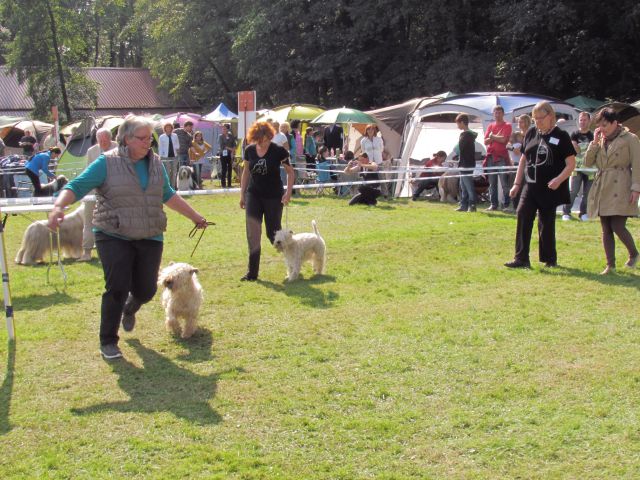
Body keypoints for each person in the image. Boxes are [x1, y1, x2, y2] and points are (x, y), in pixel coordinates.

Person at [47, 115, 208, 360]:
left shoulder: (155, 163)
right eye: (142, 138)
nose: (148, 143)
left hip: (149, 234)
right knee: (117, 287)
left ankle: (131, 308)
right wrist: (59, 206)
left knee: (146, 290)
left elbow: (167, 193)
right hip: (113, 233)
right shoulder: (106, 163)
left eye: (149, 138)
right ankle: (108, 341)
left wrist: (195, 216)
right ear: (125, 139)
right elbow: (77, 185)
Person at [504, 101, 576, 269]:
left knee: (546, 223)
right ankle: (521, 258)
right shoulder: (530, 132)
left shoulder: (561, 136)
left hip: (550, 188)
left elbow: (571, 164)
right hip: (530, 185)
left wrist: (559, 180)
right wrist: (516, 183)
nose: (537, 122)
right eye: (535, 119)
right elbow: (523, 159)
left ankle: (549, 259)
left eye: (540, 118)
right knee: (523, 215)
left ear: (550, 116)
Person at [585, 108, 640, 275]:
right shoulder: (600, 140)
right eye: (599, 125)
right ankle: (610, 265)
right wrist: (594, 143)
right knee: (606, 227)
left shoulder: (630, 138)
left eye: (605, 124)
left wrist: (636, 188)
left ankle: (634, 253)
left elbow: (637, 164)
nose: (602, 128)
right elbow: (587, 163)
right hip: (603, 185)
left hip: (621, 184)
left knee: (617, 225)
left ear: (615, 123)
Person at [239, 121, 294, 281]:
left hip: (273, 197)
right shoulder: (249, 150)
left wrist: (288, 192)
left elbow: (290, 173)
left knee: (273, 234)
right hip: (253, 195)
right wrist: (242, 194)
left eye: (263, 139)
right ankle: (252, 273)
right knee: (253, 234)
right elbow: (246, 173)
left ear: (269, 136)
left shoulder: (278, 151)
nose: (260, 143)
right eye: (257, 139)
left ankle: (294, 261)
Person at [80, 128, 118, 261]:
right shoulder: (91, 151)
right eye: (100, 141)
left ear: (110, 139)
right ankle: (87, 252)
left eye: (105, 140)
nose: (102, 143)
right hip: (94, 190)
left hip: (114, 191)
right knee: (89, 220)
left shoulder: (119, 148)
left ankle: (113, 249)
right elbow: (89, 171)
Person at [562, 111, 594, 221]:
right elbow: (574, 149)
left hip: (590, 169)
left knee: (587, 193)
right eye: (581, 120)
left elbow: (593, 151)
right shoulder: (574, 134)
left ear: (589, 121)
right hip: (576, 167)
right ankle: (566, 212)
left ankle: (583, 213)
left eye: (585, 120)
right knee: (573, 191)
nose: (582, 122)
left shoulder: (593, 135)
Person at [484, 105, 513, 211]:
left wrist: (492, 136)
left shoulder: (507, 125)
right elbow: (485, 141)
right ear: (493, 114)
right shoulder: (490, 126)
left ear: (503, 114)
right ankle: (493, 204)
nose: (497, 114)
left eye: (499, 112)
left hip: (501, 157)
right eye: (495, 112)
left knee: (504, 183)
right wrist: (496, 137)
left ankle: (506, 204)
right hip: (491, 157)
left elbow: (504, 140)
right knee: (492, 183)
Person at [505, 114, 532, 213]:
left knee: (526, 185)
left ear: (526, 122)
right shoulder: (515, 134)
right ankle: (514, 206)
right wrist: (513, 148)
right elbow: (507, 145)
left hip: (528, 164)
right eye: (518, 121)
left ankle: (526, 206)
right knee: (514, 184)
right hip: (516, 163)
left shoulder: (531, 134)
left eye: (521, 121)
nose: (519, 124)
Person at [454, 114, 478, 212]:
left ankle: (472, 205)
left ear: (462, 123)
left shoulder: (466, 135)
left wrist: (456, 151)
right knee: (463, 186)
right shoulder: (467, 134)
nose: (457, 126)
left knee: (468, 186)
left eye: (458, 123)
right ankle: (463, 205)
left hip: (466, 164)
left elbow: (460, 149)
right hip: (464, 163)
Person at [158, 122, 179, 189]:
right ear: (165, 128)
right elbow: (160, 147)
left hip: (174, 156)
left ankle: (173, 187)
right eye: (167, 127)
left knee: (174, 172)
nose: (168, 128)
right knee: (167, 172)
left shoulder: (175, 135)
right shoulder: (162, 136)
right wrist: (160, 156)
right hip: (165, 157)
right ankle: (167, 187)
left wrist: (177, 148)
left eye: (170, 127)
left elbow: (177, 144)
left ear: (171, 128)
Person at [217, 123, 237, 188]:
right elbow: (223, 146)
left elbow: (234, 145)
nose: (223, 130)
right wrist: (230, 148)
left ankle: (229, 184)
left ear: (228, 129)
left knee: (230, 169)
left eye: (225, 129)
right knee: (224, 169)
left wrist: (232, 152)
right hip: (223, 154)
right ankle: (223, 184)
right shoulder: (220, 136)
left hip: (230, 154)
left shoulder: (231, 136)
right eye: (222, 129)